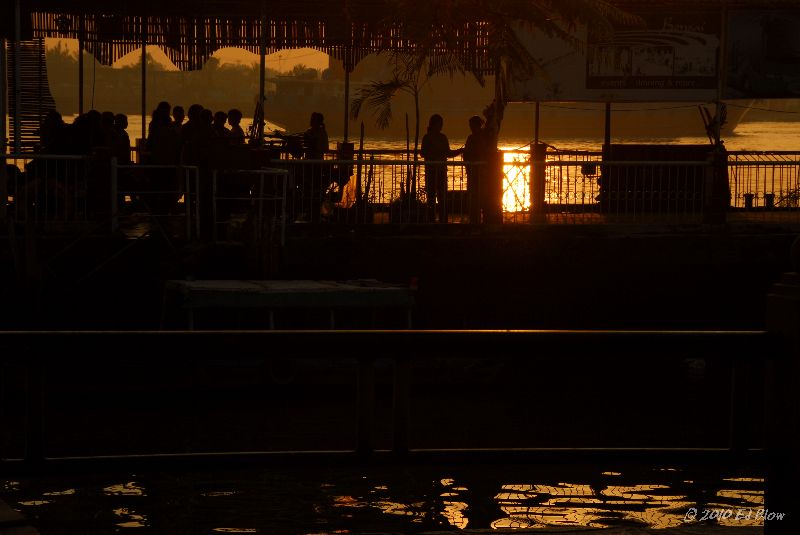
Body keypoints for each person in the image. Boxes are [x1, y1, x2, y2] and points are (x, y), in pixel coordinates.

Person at [421, 114, 462, 223]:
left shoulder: (443, 137)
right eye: (439, 124)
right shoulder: (427, 137)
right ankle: (431, 219)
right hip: (431, 171)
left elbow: (448, 153)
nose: (441, 126)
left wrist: (459, 151)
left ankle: (443, 220)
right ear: (433, 124)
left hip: (441, 171)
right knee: (431, 196)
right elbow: (423, 153)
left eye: (441, 124)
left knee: (442, 197)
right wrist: (436, 153)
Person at [463, 115, 491, 224]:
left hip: (480, 171)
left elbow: (478, 152)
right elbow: (467, 153)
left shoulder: (481, 138)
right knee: (474, 195)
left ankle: (479, 218)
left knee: (480, 195)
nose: (471, 128)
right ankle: (475, 218)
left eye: (472, 125)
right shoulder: (473, 137)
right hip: (473, 171)